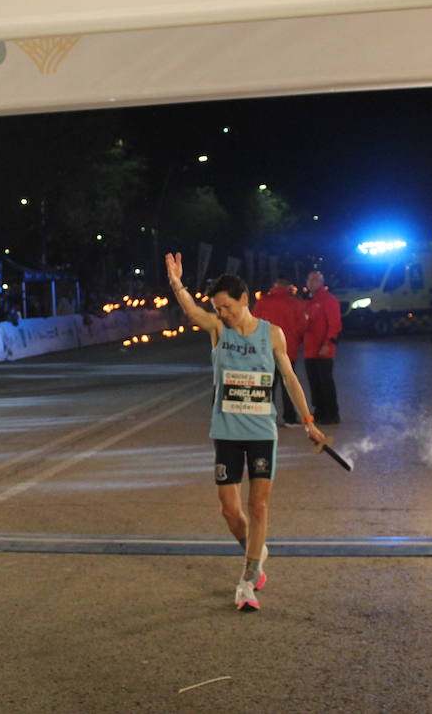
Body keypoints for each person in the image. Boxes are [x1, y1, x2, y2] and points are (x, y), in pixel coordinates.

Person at [165, 254, 325, 612]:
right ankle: (256, 549)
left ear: (244, 300)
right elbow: (192, 312)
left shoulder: (272, 335)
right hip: (226, 431)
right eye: (216, 308)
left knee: (259, 504)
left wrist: (308, 421)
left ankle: (249, 576)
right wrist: (177, 284)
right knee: (229, 510)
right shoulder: (218, 331)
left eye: (226, 307)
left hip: (261, 432)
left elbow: (289, 378)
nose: (221, 313)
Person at [251, 274, 308, 427]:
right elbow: (303, 326)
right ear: (288, 286)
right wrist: (297, 339)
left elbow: (253, 322)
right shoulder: (295, 303)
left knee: (266, 385)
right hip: (288, 349)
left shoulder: (263, 302)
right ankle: (289, 417)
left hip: (264, 350)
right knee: (288, 382)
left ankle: (264, 418)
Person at [303, 269, 343, 426]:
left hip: (323, 350)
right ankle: (320, 411)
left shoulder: (328, 300)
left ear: (321, 282)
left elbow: (334, 324)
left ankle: (332, 413)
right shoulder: (309, 302)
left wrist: (328, 343)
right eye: (309, 280)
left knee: (325, 382)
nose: (311, 283)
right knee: (314, 382)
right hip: (310, 349)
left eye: (314, 280)